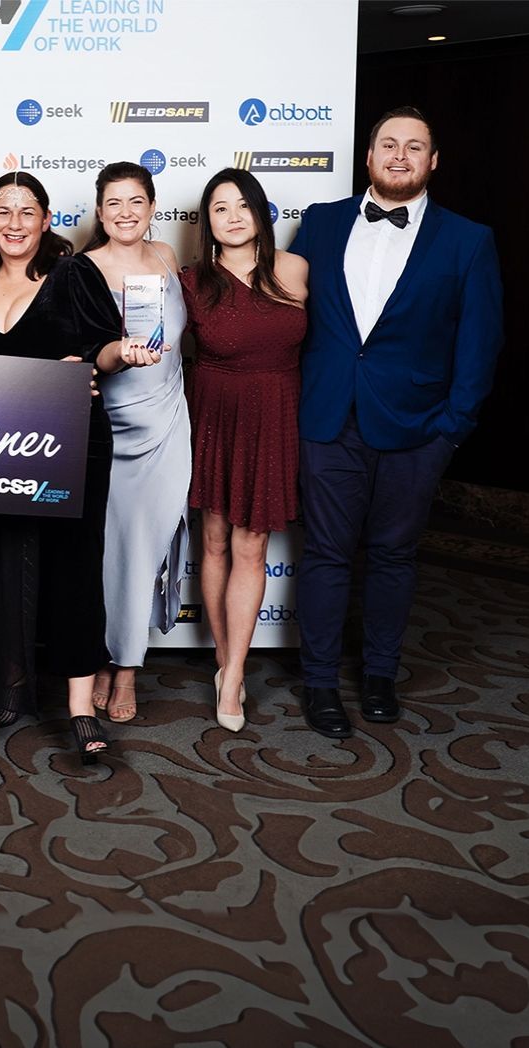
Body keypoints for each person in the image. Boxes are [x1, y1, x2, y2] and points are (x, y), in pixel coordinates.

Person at [289, 106, 503, 738]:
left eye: (415, 147)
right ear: (370, 156)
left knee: (393, 556)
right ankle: (321, 683)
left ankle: (380, 672)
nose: (400, 155)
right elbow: (287, 313)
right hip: (328, 418)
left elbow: (480, 342)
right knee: (326, 554)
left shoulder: (468, 240)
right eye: (389, 144)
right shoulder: (322, 224)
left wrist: (451, 431)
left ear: (433, 162)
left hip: (418, 430)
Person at [0, 170, 118, 763]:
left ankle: (79, 705)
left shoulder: (73, 274)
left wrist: (110, 359)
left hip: (71, 438)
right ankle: (11, 685)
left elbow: (105, 344)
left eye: (27, 212)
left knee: (73, 563)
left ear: (46, 220)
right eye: (3, 210)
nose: (14, 223)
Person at [180, 168, 308, 730]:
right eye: (218, 208)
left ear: (261, 212)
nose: (232, 217)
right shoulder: (190, 280)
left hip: (276, 412)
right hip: (214, 411)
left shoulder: (295, 269)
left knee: (251, 545)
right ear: (206, 221)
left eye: (242, 205)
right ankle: (220, 658)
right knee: (213, 540)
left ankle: (233, 675)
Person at [76, 162, 192, 722]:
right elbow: (81, 352)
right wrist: (115, 353)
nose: (126, 212)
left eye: (137, 201)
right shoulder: (82, 269)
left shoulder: (167, 257)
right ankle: (101, 655)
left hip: (168, 418)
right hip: (110, 423)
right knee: (108, 550)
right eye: (114, 202)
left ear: (152, 207)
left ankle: (127, 670)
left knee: (144, 547)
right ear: (100, 211)